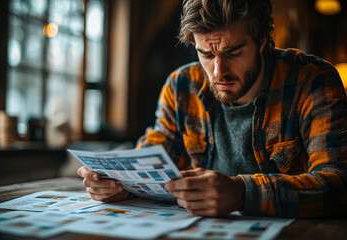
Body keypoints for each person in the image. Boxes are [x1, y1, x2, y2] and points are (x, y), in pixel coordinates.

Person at [78, 0, 347, 218]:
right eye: (206, 54)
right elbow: (149, 161)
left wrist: (243, 193)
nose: (219, 72)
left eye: (234, 52)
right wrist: (120, 186)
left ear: (263, 41)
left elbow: (338, 185)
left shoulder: (313, 81)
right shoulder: (180, 87)